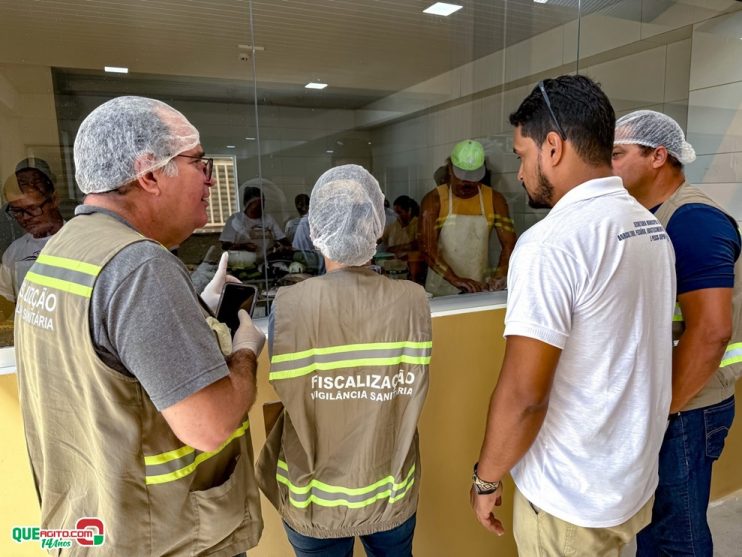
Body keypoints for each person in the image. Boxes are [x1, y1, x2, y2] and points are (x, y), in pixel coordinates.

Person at [14, 96, 265, 556]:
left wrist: (196, 317)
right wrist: (245, 349)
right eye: (198, 163)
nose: (209, 179)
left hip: (91, 525)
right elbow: (209, 426)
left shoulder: (63, 250)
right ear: (150, 174)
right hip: (163, 536)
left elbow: (109, 363)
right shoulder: (139, 267)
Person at [469, 75, 676, 556]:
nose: (520, 173)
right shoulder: (649, 227)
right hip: (630, 481)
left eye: (523, 155)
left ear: (554, 147)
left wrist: (485, 479)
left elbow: (524, 395)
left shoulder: (551, 243)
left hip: (571, 498)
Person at [256, 164, 432, 557]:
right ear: (377, 228)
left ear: (315, 234)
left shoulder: (290, 305)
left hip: (313, 499)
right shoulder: (413, 301)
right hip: (390, 491)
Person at [613, 110, 741, 556]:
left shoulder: (693, 222)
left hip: (688, 410)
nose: (608, 165)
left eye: (617, 153)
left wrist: (661, 410)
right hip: (667, 403)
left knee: (676, 536)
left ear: (658, 156)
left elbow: (711, 333)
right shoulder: (646, 217)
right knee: (656, 524)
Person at [420, 140, 516, 296]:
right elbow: (427, 247)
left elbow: (509, 244)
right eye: (462, 178)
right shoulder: (434, 200)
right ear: (450, 169)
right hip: (441, 289)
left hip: (479, 288)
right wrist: (455, 279)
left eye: (473, 179)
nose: (467, 184)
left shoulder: (494, 200)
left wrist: (499, 275)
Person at [0, 158, 64, 303]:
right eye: (17, 211)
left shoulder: (77, 241)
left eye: (33, 208)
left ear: (54, 200)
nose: (25, 218)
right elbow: (5, 300)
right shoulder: (14, 252)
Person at [220, 185, 292, 257]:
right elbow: (225, 246)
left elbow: (281, 238)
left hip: (266, 260)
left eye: (263, 203)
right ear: (247, 204)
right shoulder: (235, 220)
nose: (261, 207)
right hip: (243, 262)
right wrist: (243, 246)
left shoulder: (268, 219)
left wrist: (289, 247)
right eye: (257, 204)